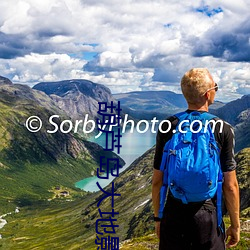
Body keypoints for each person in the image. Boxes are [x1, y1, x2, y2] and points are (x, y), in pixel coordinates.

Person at [152, 68, 240, 250]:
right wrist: (235, 225)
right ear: (208, 94)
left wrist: (158, 218)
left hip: (174, 212)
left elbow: (157, 181)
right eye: (216, 87)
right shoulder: (222, 129)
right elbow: (230, 185)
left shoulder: (168, 125)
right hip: (207, 215)